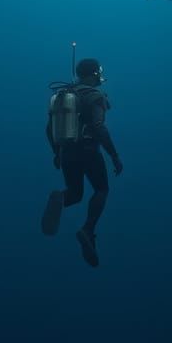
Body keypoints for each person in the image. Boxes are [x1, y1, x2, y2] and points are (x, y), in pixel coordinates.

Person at [41, 58, 124, 267]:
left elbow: (48, 129)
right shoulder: (95, 96)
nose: (100, 77)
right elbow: (98, 127)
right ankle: (88, 230)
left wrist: (56, 153)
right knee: (101, 190)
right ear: (92, 74)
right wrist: (114, 155)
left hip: (67, 151)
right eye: (98, 73)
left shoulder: (63, 96)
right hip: (88, 150)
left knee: (75, 194)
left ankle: (60, 197)